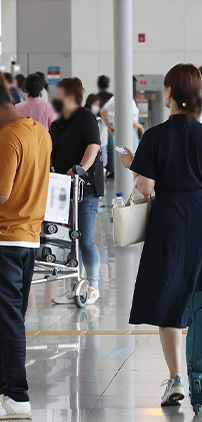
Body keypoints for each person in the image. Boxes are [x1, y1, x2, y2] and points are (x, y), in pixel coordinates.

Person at [118, 63, 202, 407]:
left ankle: (175, 379)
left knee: (169, 296)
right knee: (201, 295)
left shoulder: (154, 136)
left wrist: (134, 166)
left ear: (169, 93)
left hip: (168, 219)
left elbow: (145, 187)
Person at [0, 77, 52, 419]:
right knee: (11, 317)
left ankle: (16, 395)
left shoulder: (8, 137)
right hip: (30, 237)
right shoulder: (40, 133)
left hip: (5, 237)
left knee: (8, 321)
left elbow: (3, 194)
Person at [48, 78, 105, 305]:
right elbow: (51, 148)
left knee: (85, 239)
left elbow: (93, 145)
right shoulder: (58, 122)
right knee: (70, 239)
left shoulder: (85, 117)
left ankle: (92, 285)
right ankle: (75, 285)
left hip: (84, 188)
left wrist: (78, 170)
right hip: (63, 188)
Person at [101, 77, 145, 149]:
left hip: (118, 133)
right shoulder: (128, 100)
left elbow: (103, 112)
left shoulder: (115, 98)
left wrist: (109, 126)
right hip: (129, 133)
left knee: (121, 155)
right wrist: (140, 127)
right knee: (130, 156)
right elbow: (128, 119)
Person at [84, 94, 109, 170]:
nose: (96, 107)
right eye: (95, 104)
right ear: (89, 103)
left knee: (102, 164)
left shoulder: (102, 117)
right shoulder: (85, 116)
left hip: (103, 144)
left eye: (98, 105)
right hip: (90, 144)